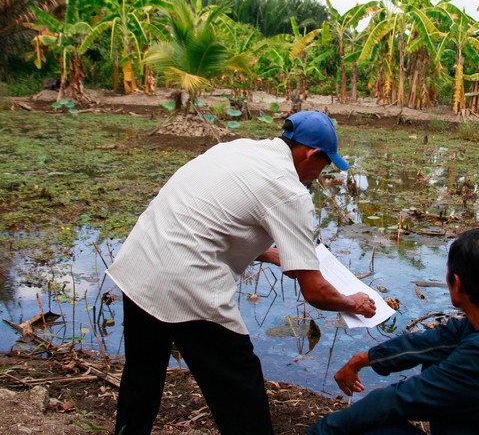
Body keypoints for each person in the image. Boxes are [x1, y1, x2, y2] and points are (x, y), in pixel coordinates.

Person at [106, 110, 377, 435]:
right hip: (186, 282)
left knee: (142, 378)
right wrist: (353, 302)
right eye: (324, 164)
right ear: (312, 154)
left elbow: (212, 217)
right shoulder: (290, 191)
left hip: (140, 264)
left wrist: (275, 256)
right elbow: (315, 291)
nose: (319, 175)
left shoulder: (238, 149)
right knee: (240, 385)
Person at [308, 227, 479, 435]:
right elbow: (435, 341)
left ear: (455, 282)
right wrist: (363, 360)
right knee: (435, 355)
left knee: (371, 428)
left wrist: (322, 430)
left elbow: (399, 399)